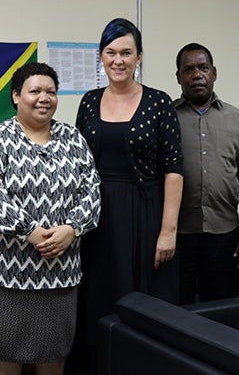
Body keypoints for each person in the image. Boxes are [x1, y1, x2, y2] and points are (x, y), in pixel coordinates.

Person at [0, 62, 100, 375]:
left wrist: (72, 229)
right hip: (5, 275)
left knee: (53, 354)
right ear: (16, 96)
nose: (44, 98)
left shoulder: (73, 138)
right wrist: (29, 231)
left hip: (59, 274)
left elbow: (91, 190)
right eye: (35, 91)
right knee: (4, 354)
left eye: (50, 92)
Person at [75, 18, 183, 366]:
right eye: (110, 52)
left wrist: (168, 230)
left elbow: (174, 170)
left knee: (143, 304)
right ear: (101, 57)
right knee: (98, 297)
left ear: (139, 57)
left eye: (126, 52)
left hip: (145, 215)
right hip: (96, 217)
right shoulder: (89, 102)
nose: (117, 60)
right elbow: (77, 163)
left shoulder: (159, 102)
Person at [173, 42, 239, 303]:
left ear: (214, 73)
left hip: (224, 234)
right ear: (178, 77)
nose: (196, 74)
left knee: (221, 305)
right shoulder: (166, 116)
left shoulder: (237, 119)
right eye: (188, 69)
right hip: (178, 234)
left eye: (203, 68)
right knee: (179, 306)